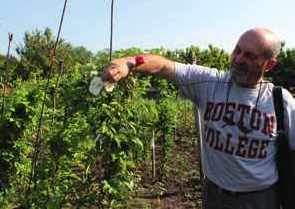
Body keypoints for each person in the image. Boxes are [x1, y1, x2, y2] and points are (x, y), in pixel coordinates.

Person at [101, 28, 295, 209]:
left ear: (269, 65)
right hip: (213, 193)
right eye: (237, 50)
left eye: (250, 56)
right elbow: (162, 67)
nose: (238, 59)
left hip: (259, 198)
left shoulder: (281, 100)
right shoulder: (209, 83)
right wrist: (129, 62)